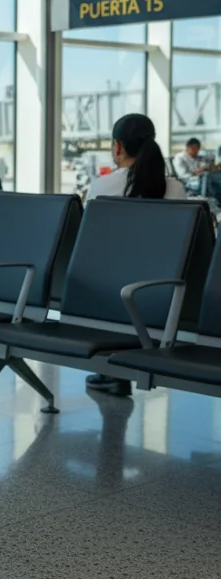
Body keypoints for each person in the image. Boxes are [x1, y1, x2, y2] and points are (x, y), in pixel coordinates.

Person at [84, 114, 184, 397]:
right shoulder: (175, 188)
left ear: (118, 147)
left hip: (108, 296)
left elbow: (90, 246)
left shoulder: (102, 188)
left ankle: (110, 370)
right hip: (167, 296)